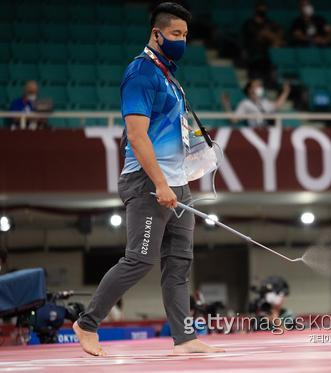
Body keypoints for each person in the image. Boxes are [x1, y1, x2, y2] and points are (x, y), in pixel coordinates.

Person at [72, 2, 224, 356]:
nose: (181, 41)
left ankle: (184, 337)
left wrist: (176, 182)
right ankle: (87, 323)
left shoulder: (168, 76)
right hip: (148, 182)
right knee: (139, 259)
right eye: (175, 34)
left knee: (179, 263)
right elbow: (137, 136)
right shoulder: (141, 73)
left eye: (185, 35)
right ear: (156, 34)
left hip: (178, 183)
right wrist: (159, 183)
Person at [221, 79, 290, 127]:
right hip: (256, 130)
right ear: (250, 90)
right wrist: (226, 105)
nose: (259, 88)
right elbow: (234, 120)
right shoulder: (245, 104)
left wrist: (285, 92)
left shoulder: (264, 102)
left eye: (260, 86)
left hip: (269, 130)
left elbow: (277, 105)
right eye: (256, 86)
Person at [242, 1, 284, 80]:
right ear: (256, 10)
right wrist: (267, 34)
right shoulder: (249, 23)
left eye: (264, 9)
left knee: (276, 44)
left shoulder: (269, 22)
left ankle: (274, 73)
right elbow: (257, 36)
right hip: (253, 49)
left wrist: (275, 37)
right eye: (260, 9)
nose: (262, 11)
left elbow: (279, 30)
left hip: (268, 49)